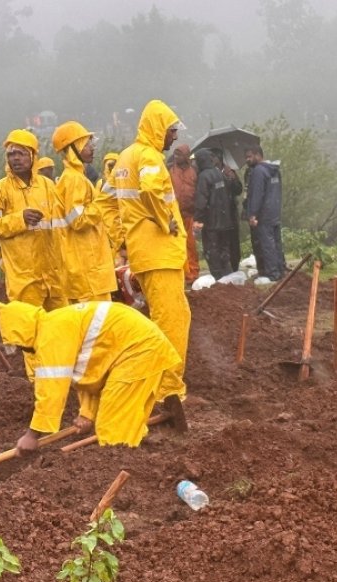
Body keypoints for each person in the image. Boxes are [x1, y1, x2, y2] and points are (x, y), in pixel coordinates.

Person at [0, 300, 186, 454]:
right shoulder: (54, 324)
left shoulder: (50, 337)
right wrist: (86, 413)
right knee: (121, 421)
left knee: (112, 429)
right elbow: (93, 373)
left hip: (139, 350)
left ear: (23, 333)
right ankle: (131, 454)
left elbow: (51, 392)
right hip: (135, 349)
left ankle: (121, 465)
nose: (22, 350)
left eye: (18, 344)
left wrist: (32, 435)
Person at [111, 99, 190, 403]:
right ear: (158, 128)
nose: (174, 137)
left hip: (144, 252)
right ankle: (168, 390)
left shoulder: (125, 157)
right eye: (171, 130)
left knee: (160, 319)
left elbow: (108, 203)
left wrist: (121, 240)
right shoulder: (149, 157)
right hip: (159, 251)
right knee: (173, 321)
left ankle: (153, 384)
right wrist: (165, 219)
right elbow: (150, 189)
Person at [0, 129, 67, 308]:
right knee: (28, 329)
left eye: (20, 153)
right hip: (24, 279)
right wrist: (20, 219)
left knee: (60, 328)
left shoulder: (48, 187)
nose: (15, 158)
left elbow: (62, 227)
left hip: (53, 277)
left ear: (32, 156)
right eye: (11, 154)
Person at [51, 121, 118, 303]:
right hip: (88, 269)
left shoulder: (76, 177)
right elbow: (78, 220)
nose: (92, 148)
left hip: (90, 267)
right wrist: (102, 203)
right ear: (74, 148)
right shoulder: (74, 180)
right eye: (87, 144)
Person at [192, 148, 241, 279]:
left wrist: (197, 219)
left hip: (211, 224)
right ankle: (228, 277)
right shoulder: (220, 174)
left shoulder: (203, 177)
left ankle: (219, 279)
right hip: (225, 223)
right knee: (224, 251)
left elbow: (201, 201)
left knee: (212, 251)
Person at [243, 144, 286, 281]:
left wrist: (252, 214)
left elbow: (257, 195)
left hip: (264, 215)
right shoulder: (274, 170)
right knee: (276, 244)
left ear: (258, 155)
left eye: (249, 157)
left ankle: (272, 274)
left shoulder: (258, 171)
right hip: (275, 212)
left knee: (267, 245)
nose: (247, 160)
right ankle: (280, 270)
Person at [168, 143, 200, 282]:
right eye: (175, 154)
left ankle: (193, 272)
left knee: (191, 245)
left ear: (186, 156)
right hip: (175, 215)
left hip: (190, 214)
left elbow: (199, 190)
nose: (176, 157)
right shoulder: (170, 170)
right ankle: (181, 273)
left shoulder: (194, 171)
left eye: (179, 154)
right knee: (177, 245)